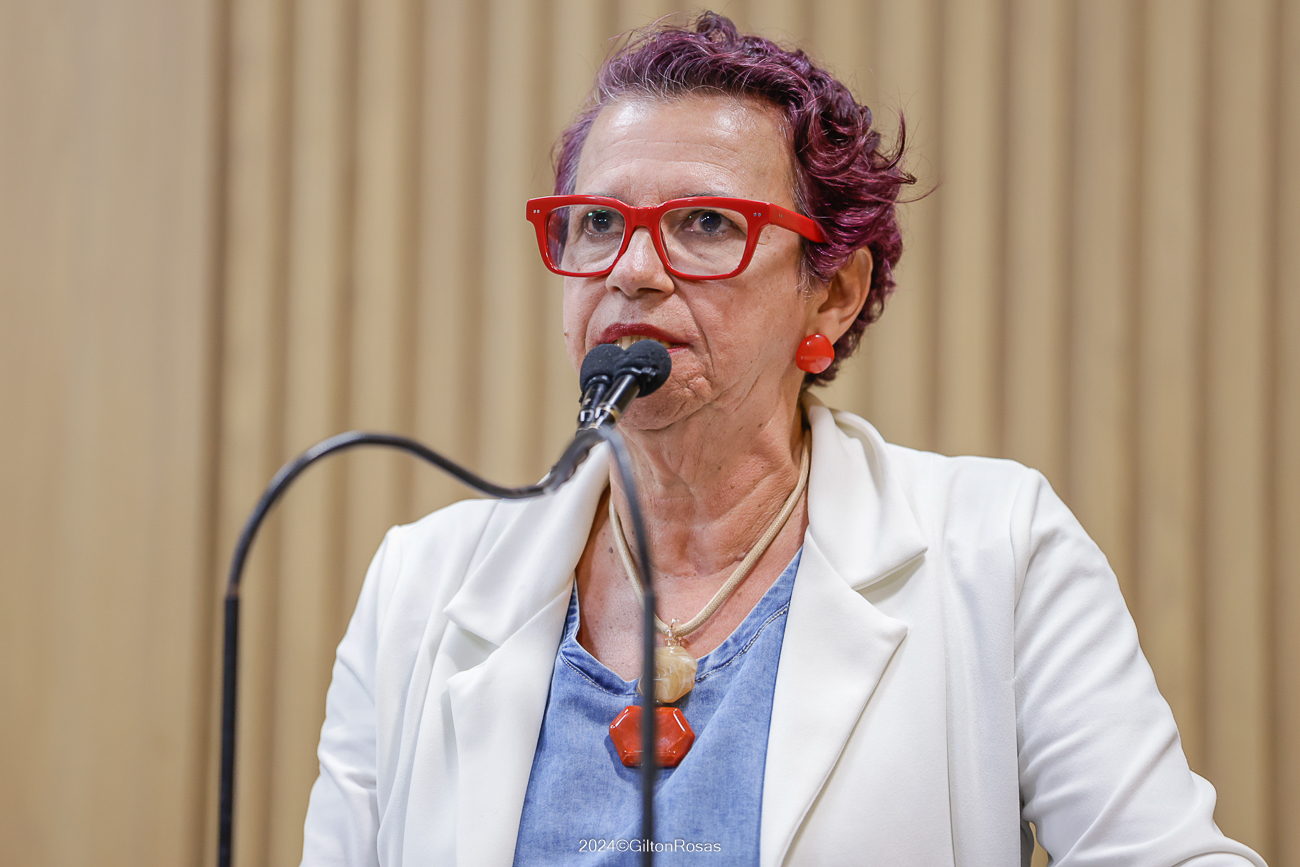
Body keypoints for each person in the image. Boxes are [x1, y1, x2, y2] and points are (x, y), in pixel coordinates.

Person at [301, 13, 1266, 866]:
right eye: (597, 221)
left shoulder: (998, 552)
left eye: (705, 223)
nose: (632, 269)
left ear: (833, 293)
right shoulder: (418, 587)